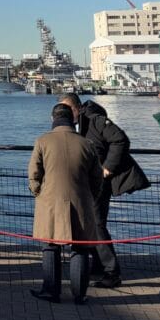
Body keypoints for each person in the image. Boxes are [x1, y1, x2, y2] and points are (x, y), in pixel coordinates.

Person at [59, 93, 148, 289]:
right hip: (86, 181)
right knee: (92, 224)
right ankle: (99, 264)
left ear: (76, 108)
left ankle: (111, 271)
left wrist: (108, 167)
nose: (64, 114)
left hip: (99, 181)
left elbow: (120, 140)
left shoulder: (96, 120)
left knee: (97, 224)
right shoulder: (74, 126)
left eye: (67, 110)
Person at [28, 103, 103, 304]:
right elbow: (97, 178)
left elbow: (34, 173)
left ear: (53, 118)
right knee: (80, 247)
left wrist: (38, 192)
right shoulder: (87, 143)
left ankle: (51, 291)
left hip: (50, 201)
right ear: (73, 119)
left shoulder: (43, 141)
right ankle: (80, 294)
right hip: (81, 200)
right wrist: (90, 196)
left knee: (50, 246)